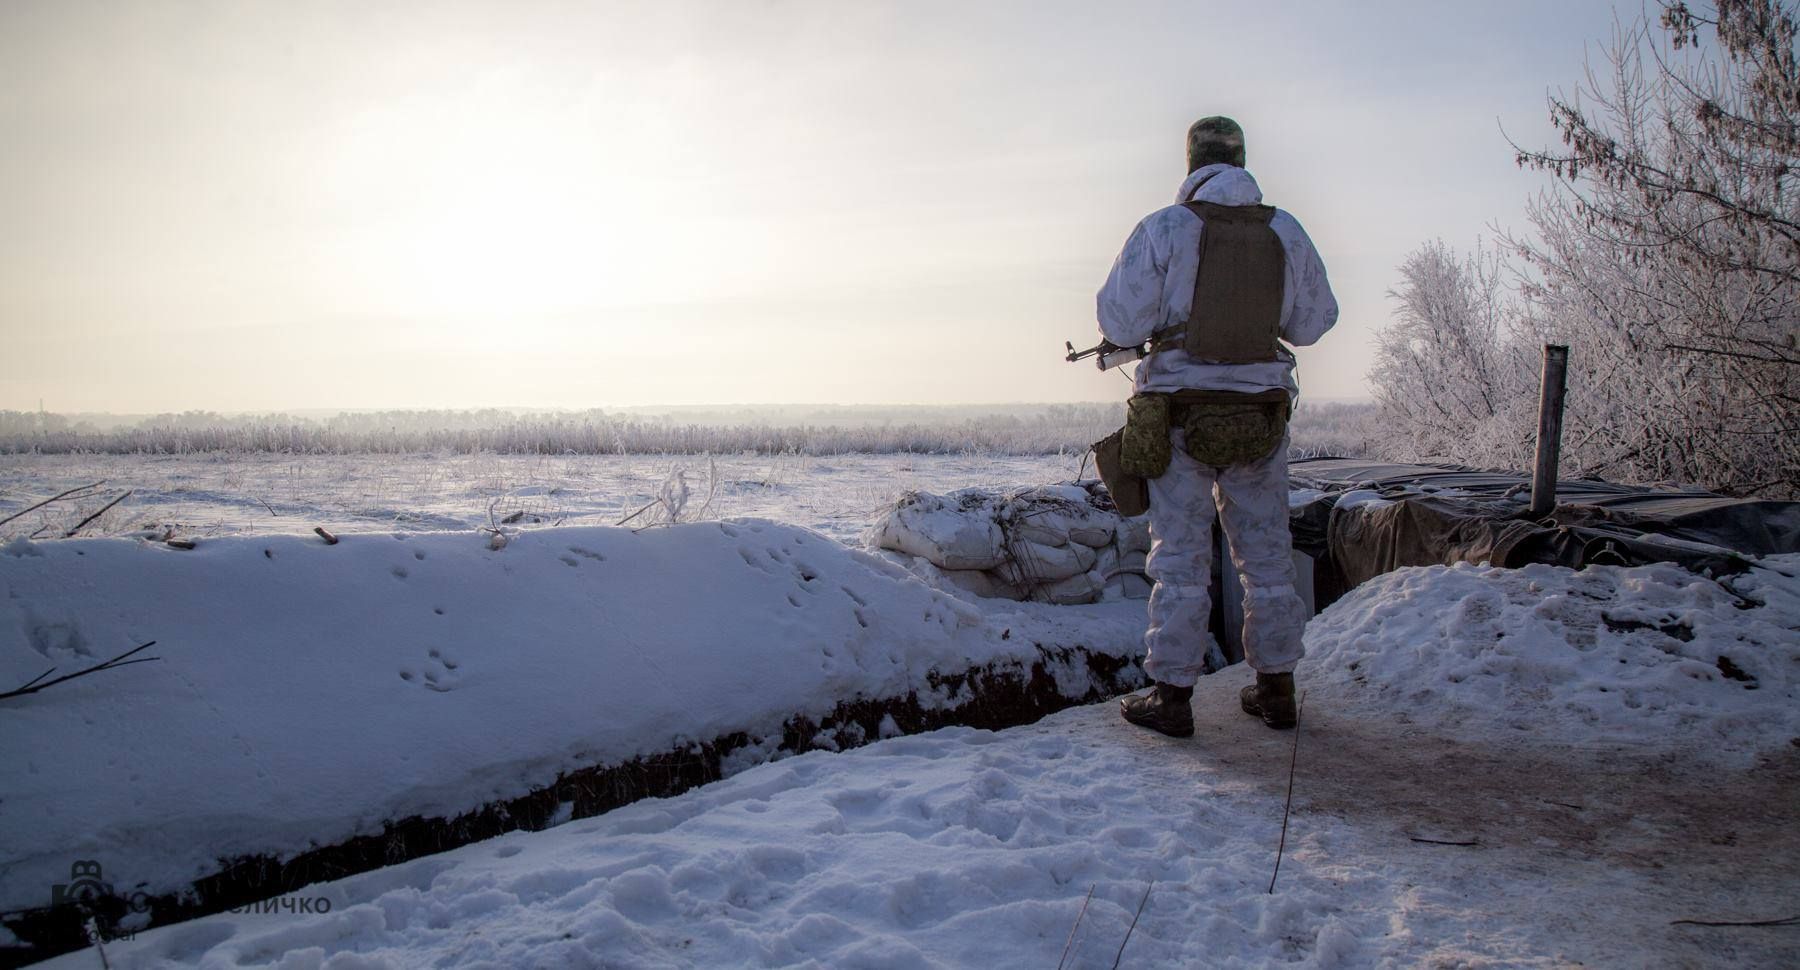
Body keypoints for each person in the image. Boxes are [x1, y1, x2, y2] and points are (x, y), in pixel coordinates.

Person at [1098, 116, 1338, 738]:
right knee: (1267, 556)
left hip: (1180, 413)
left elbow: (1119, 319)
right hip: (1260, 417)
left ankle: (1172, 699)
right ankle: (1277, 689)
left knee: (1178, 559)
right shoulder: (1284, 229)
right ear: (1241, 162)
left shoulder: (1165, 228)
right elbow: (1314, 322)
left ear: (1192, 164)